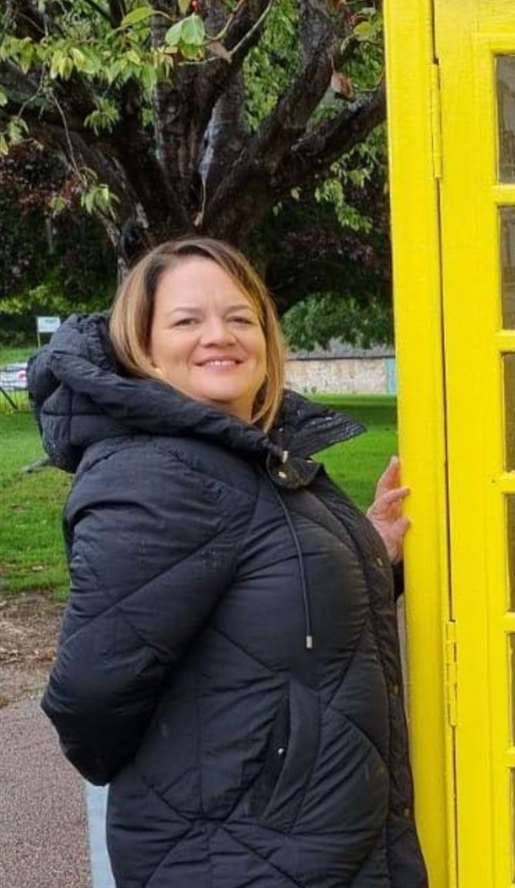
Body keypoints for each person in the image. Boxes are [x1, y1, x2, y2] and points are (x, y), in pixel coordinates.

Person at [27, 237, 428, 887]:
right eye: (187, 321)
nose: (220, 335)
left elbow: (264, 601)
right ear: (145, 348)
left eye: (240, 318)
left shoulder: (255, 460)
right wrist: (247, 788)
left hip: (309, 847)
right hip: (237, 857)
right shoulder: (158, 476)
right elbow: (87, 702)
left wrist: (367, 549)